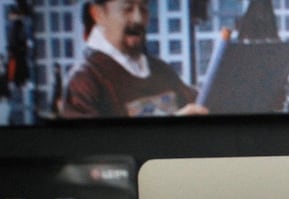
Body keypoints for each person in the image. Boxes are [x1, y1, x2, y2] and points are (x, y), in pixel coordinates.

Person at [61, 0, 207, 118]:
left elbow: (197, 102)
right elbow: (91, 146)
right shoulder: (84, 80)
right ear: (98, 14)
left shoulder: (160, 69)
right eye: (127, 8)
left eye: (143, 8)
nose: (138, 19)